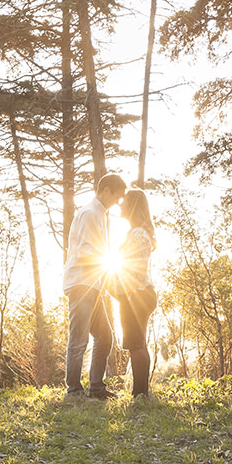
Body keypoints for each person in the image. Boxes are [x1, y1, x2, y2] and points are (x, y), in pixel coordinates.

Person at [63, 171, 126, 400]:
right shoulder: (90, 213)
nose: (118, 202)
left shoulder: (98, 214)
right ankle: (73, 390)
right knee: (79, 339)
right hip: (82, 283)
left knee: (104, 336)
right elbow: (85, 252)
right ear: (105, 190)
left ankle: (96, 388)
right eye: (117, 197)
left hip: (92, 284)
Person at [113, 187, 159, 398]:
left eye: (124, 202)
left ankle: (140, 394)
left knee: (136, 344)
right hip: (137, 293)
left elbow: (134, 268)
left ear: (132, 206)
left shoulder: (138, 233)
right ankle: (140, 392)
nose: (120, 205)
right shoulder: (138, 232)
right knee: (137, 343)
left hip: (137, 294)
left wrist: (118, 290)